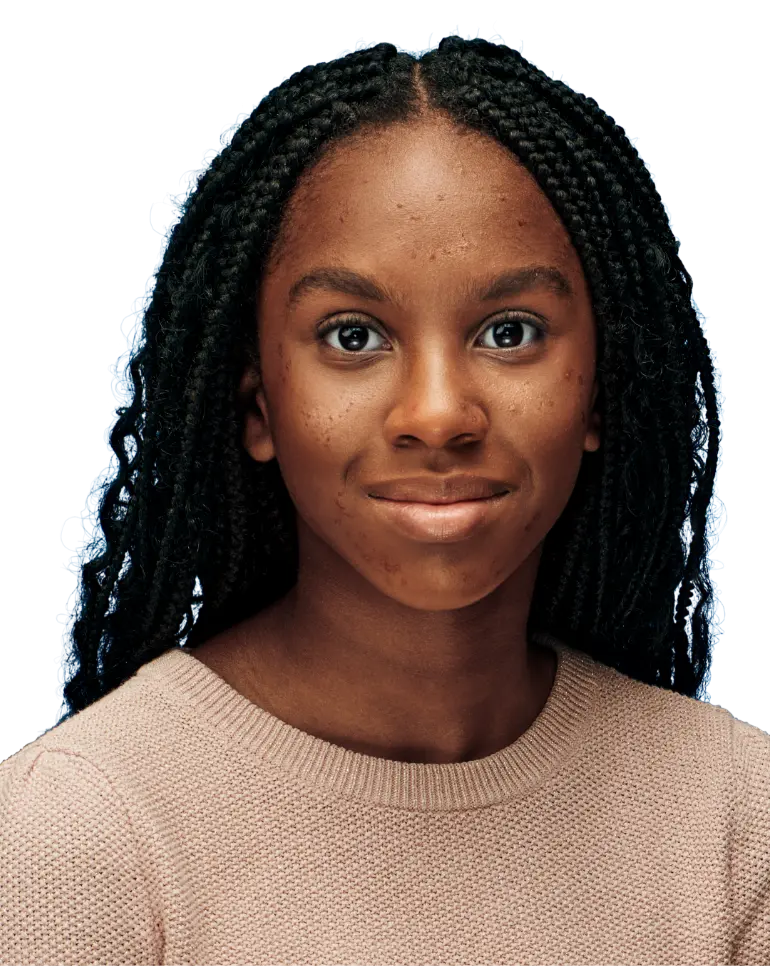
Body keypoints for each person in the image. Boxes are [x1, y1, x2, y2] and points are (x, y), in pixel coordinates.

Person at [3, 31, 765, 966]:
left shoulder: (732, 817)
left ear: (600, 390)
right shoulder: (88, 830)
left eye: (511, 330)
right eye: (354, 336)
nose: (438, 414)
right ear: (258, 403)